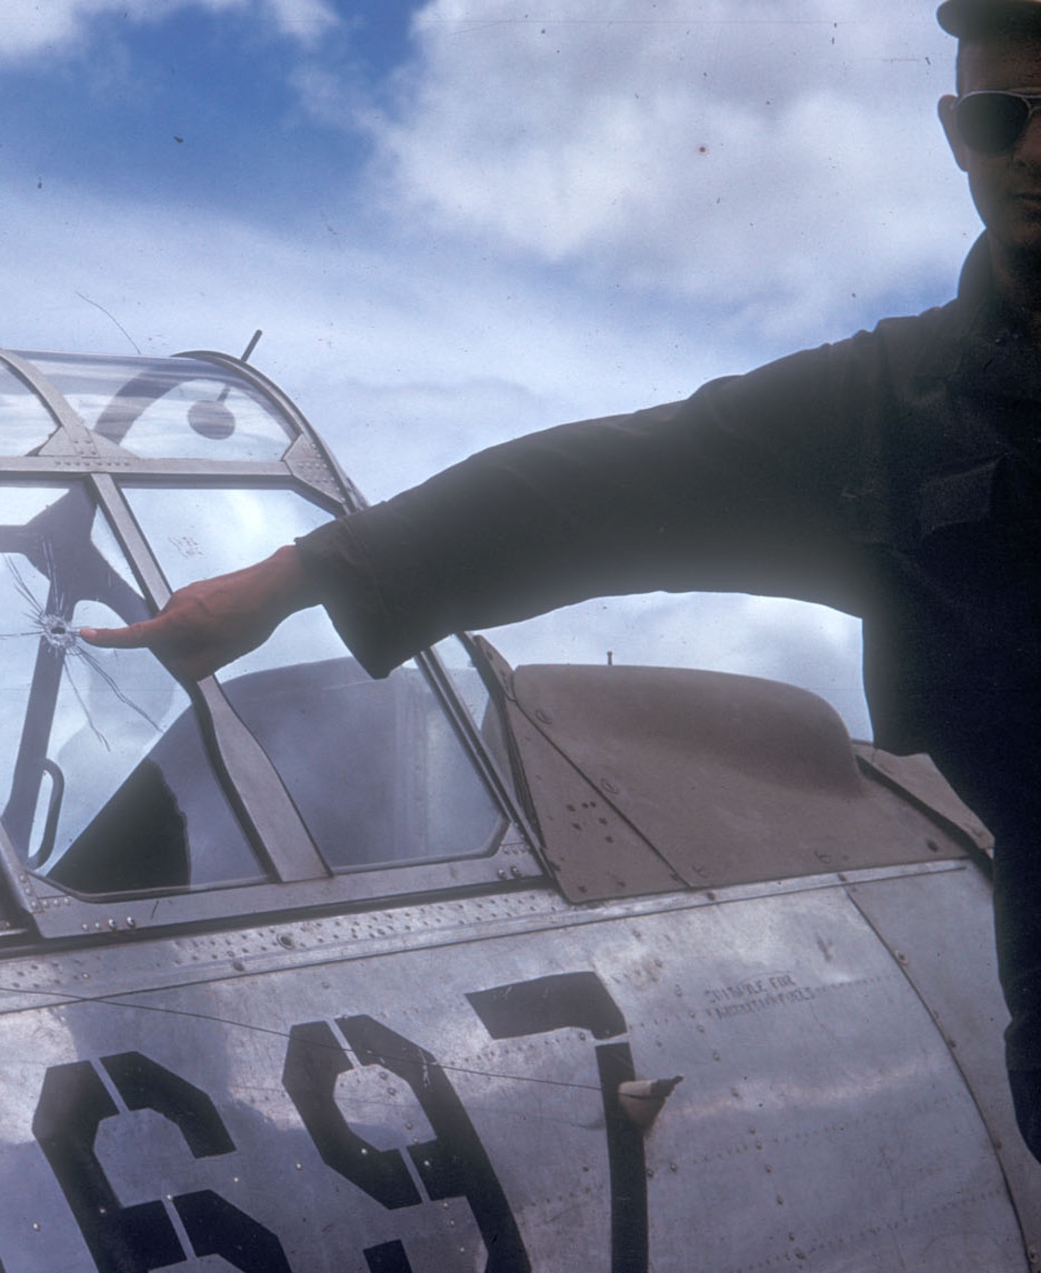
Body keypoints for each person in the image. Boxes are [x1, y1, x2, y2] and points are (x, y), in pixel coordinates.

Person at [83, 0, 1041, 1159]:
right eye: (1000, 118)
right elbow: (597, 488)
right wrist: (291, 577)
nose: (1029, 152)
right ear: (952, 132)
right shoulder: (897, 408)